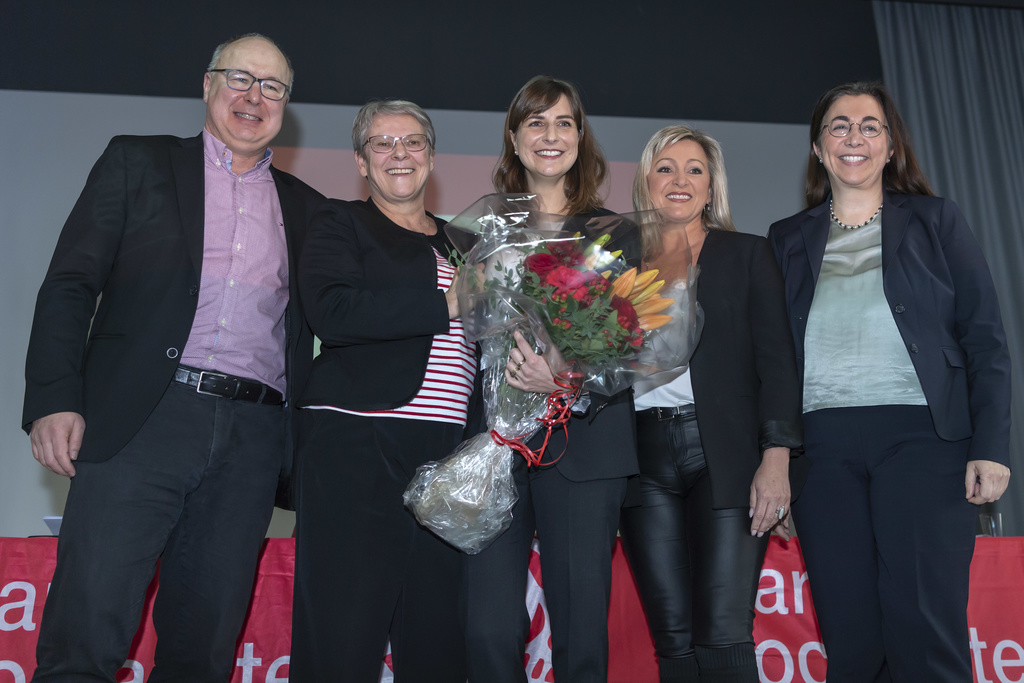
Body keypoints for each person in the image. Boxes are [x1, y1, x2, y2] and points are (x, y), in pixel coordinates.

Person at [21, 34, 323, 682]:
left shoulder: (310, 210)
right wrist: (53, 397)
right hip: (141, 420)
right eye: (240, 78)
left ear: (286, 106)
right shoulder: (138, 163)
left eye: (272, 86)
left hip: (253, 439)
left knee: (202, 652)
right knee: (86, 633)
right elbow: (71, 284)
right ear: (208, 85)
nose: (254, 96)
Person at [767, 81, 1012, 682]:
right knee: (851, 639)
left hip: (924, 441)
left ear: (891, 144)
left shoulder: (936, 221)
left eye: (869, 126)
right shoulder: (784, 239)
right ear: (819, 149)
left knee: (926, 629)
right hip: (821, 453)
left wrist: (992, 448)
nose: (854, 137)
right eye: (839, 127)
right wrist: (773, 458)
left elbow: (985, 339)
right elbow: (770, 361)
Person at [289, 99, 473, 682]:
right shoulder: (338, 222)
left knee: (436, 641)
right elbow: (333, 312)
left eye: (413, 142)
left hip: (449, 460)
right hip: (356, 445)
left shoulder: (466, 244)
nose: (400, 154)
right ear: (363, 162)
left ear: (432, 157)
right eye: (383, 144)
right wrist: (446, 303)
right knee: (342, 640)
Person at [462, 75, 638, 683]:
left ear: (580, 137)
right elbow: (465, 337)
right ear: (514, 138)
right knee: (486, 626)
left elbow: (636, 346)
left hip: (584, 448)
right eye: (535, 122)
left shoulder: (615, 234)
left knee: (581, 626)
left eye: (564, 122)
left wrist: (565, 375)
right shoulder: (482, 234)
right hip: (497, 446)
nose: (550, 135)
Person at [616, 125, 804, 683]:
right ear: (647, 181)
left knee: (722, 634)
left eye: (694, 169)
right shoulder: (614, 263)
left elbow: (778, 364)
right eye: (666, 168)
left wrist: (777, 460)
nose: (679, 180)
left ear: (711, 185)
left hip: (726, 455)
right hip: (641, 462)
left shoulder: (747, 254)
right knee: (672, 644)